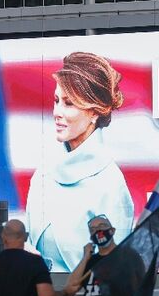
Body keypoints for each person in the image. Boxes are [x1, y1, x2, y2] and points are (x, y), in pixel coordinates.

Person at [26, 52, 134, 272]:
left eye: (69, 104)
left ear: (94, 112)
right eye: (56, 101)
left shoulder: (110, 183)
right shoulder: (43, 174)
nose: (57, 112)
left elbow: (114, 272)